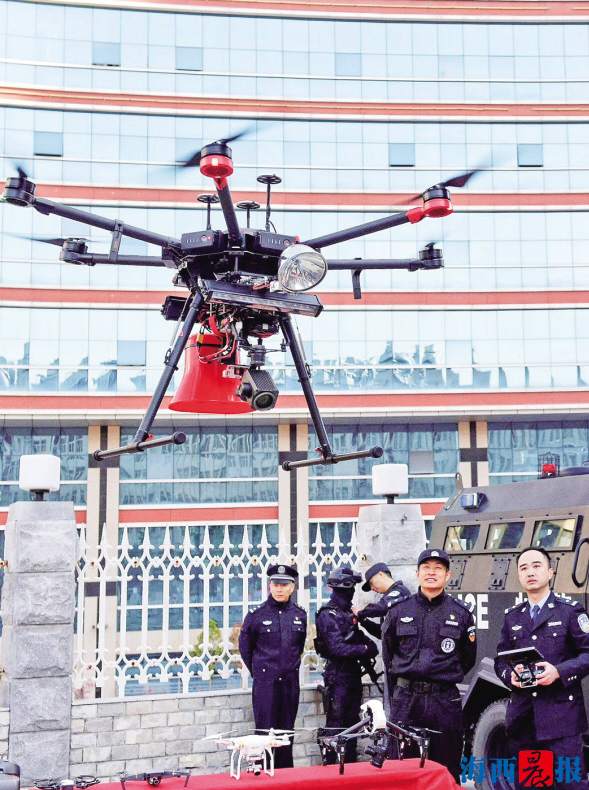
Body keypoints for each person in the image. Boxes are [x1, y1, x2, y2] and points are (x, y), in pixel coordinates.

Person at [495, 546, 589, 790]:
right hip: (525, 722)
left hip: (562, 722)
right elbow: (500, 660)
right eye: (524, 568)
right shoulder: (513, 617)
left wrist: (559, 671)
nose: (530, 572)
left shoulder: (570, 611)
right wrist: (511, 676)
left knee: (569, 785)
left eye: (537, 566)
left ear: (550, 572)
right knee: (532, 785)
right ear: (519, 575)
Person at [382, 548, 477, 783]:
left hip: (444, 702)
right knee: (403, 768)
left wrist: (440, 679)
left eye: (438, 568)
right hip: (407, 701)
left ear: (448, 575)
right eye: (426, 568)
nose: (431, 573)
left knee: (446, 768)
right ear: (417, 573)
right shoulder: (398, 610)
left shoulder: (461, 614)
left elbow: (467, 659)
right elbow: (388, 655)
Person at [238, 563, 307, 769]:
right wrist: (261, 672)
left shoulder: (299, 614)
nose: (279, 589)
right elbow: (246, 648)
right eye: (275, 584)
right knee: (264, 734)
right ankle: (264, 777)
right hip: (266, 684)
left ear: (292, 587)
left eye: (284, 585)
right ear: (269, 585)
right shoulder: (256, 615)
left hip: (289, 683)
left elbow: (298, 647)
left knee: (286, 734)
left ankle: (286, 777)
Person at [315, 565, 378, 764]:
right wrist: (363, 649)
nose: (351, 592)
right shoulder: (328, 614)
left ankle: (350, 767)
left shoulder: (347, 613)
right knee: (336, 725)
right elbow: (337, 649)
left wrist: (365, 647)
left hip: (352, 675)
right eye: (349, 588)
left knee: (353, 724)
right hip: (337, 676)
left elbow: (367, 643)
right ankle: (331, 769)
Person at [355, 562, 411, 639]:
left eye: (371, 583)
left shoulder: (400, 591)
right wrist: (363, 620)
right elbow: (382, 633)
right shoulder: (387, 600)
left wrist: (360, 612)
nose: (372, 588)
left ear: (380, 574)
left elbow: (381, 608)